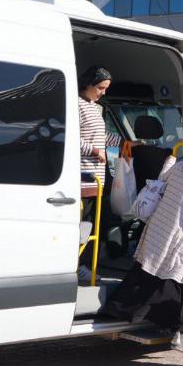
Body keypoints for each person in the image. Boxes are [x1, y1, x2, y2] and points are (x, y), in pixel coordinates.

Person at [105, 140, 183, 357]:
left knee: (150, 275)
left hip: (158, 231)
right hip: (182, 239)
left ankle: (123, 311)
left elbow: (162, 178)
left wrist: (172, 157)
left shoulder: (181, 166)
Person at [77, 65, 115, 281]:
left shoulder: (94, 106)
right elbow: (72, 137)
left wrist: (128, 143)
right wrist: (94, 151)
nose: (103, 92)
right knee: (81, 227)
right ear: (88, 84)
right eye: (100, 87)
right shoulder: (77, 105)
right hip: (83, 178)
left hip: (96, 180)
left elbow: (101, 137)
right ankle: (77, 266)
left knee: (89, 226)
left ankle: (83, 265)